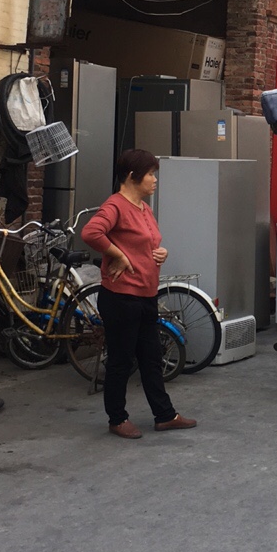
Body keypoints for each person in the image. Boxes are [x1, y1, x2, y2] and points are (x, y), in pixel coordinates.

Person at [81, 149, 197, 439]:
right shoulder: (115, 206)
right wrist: (117, 255)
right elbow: (91, 233)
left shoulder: (144, 208)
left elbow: (147, 242)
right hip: (121, 297)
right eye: (150, 174)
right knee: (121, 360)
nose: (154, 180)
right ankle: (117, 419)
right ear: (133, 177)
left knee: (151, 357)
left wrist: (161, 253)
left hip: (146, 294)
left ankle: (165, 415)